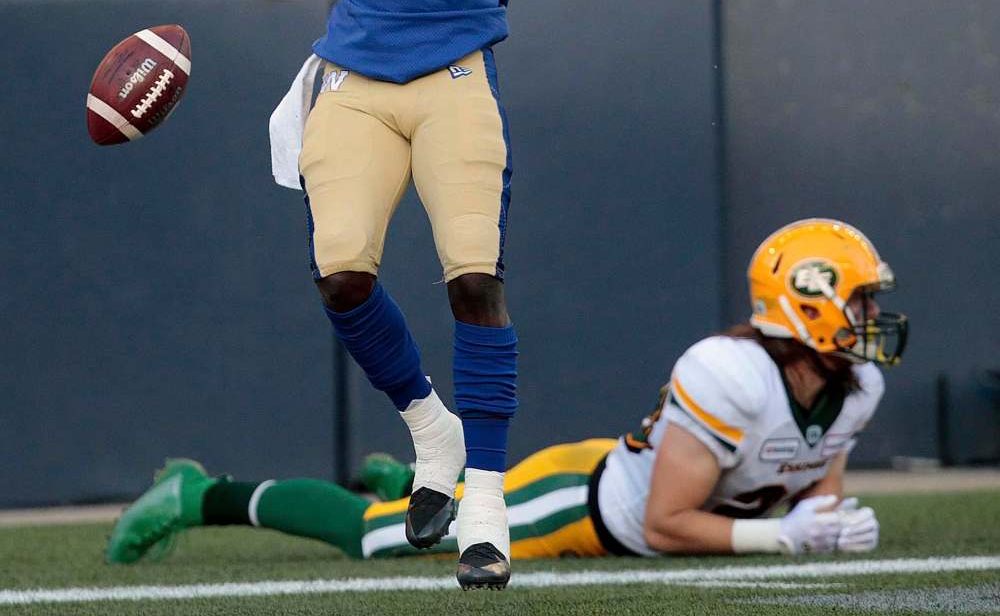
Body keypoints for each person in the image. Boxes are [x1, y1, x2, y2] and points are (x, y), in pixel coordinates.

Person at [212, 0, 655, 590]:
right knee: (342, 275)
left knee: (474, 278)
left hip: (455, 75)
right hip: (353, 75)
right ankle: (429, 425)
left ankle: (485, 510)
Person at [106, 218, 907, 570]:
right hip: (584, 507)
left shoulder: (856, 383)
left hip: (640, 487)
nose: (872, 317)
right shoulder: (728, 373)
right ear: (808, 300)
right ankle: (200, 493)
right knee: (374, 538)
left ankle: (413, 482)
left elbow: (813, 488)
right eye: (861, 300)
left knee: (409, 517)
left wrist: (826, 525)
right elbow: (664, 523)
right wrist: (781, 539)